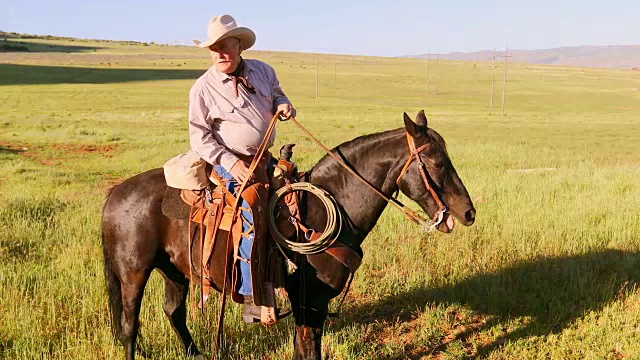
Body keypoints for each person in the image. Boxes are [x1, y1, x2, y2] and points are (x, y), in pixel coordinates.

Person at [189, 14, 295, 322]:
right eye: (214, 48)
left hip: (264, 158)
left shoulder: (263, 71)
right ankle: (253, 297)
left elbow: (276, 93)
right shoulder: (203, 88)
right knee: (250, 210)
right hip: (229, 160)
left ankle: (289, 278)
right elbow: (199, 135)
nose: (220, 53)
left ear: (239, 46)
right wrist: (229, 162)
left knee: (295, 199)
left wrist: (284, 104)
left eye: (225, 46)